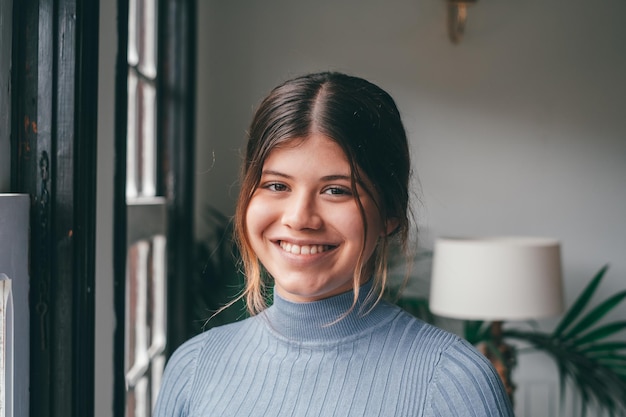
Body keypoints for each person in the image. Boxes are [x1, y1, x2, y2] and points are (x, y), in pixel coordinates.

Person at [153, 72, 514, 417]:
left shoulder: (453, 381)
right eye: (277, 185)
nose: (299, 218)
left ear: (390, 212)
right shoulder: (192, 367)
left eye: (336, 190)